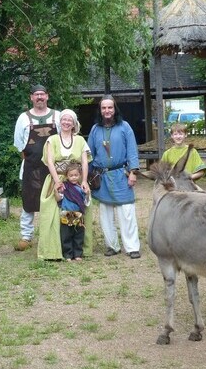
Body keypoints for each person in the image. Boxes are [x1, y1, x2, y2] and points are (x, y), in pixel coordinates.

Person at [87, 95, 141, 259]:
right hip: (102, 176)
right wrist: (86, 178)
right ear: (100, 110)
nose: (107, 111)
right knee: (105, 213)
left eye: (110, 107)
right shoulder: (95, 129)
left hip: (121, 175)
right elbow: (89, 154)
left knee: (126, 212)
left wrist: (133, 172)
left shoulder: (125, 127)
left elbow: (132, 150)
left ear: (114, 109)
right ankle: (112, 246)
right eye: (104, 108)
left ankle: (132, 247)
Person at [37, 109, 92, 260]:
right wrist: (57, 181)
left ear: (74, 123)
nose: (66, 122)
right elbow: (49, 161)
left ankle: (78, 250)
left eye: (70, 120)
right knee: (52, 214)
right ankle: (52, 251)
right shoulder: (52, 139)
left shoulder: (80, 140)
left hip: (76, 179)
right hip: (57, 179)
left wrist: (85, 181)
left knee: (78, 212)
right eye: (64, 119)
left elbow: (84, 162)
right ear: (59, 122)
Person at [13, 84, 60, 251]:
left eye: (42, 94)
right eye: (36, 95)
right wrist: (32, 160)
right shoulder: (23, 119)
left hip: (55, 169)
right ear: (31, 97)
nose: (39, 97)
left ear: (47, 96)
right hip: (31, 168)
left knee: (57, 200)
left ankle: (56, 233)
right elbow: (19, 145)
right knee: (29, 201)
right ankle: (26, 236)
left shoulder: (58, 116)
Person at [53, 163, 90, 261]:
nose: (73, 177)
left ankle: (78, 254)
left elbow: (86, 202)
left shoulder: (81, 188)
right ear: (67, 176)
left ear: (80, 175)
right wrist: (56, 191)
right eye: (71, 175)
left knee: (79, 235)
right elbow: (58, 199)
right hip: (67, 214)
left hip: (78, 215)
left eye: (76, 175)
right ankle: (68, 255)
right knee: (66, 235)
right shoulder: (64, 187)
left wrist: (87, 194)